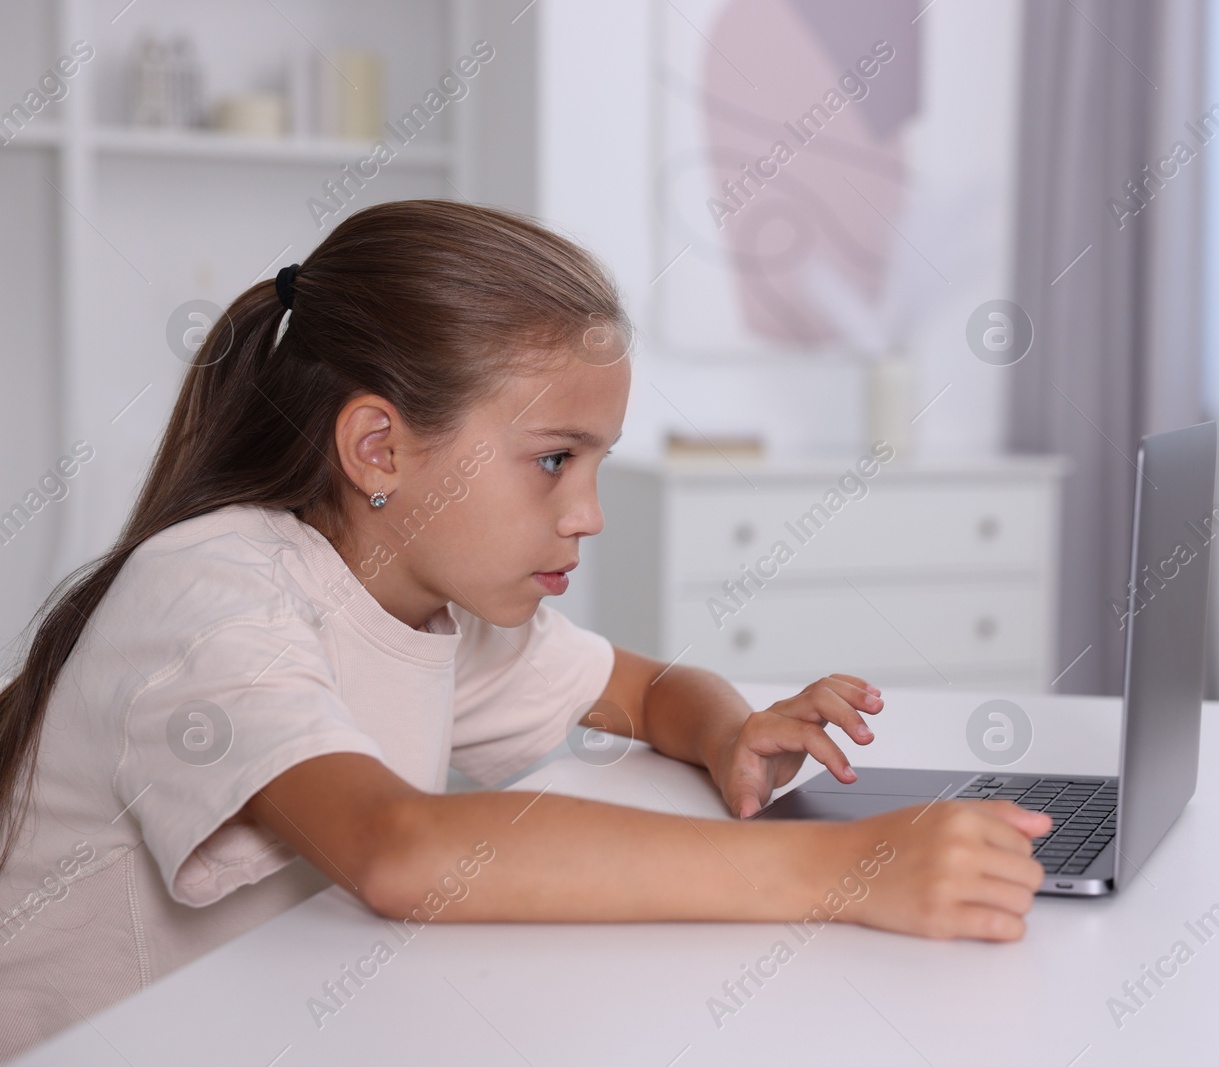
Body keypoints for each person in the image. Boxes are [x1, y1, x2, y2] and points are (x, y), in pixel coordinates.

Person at [0, 200, 1046, 1056]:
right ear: (379, 448)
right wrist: (845, 871)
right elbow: (396, 849)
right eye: (554, 458)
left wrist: (729, 730)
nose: (588, 510)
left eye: (595, 463)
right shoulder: (211, 588)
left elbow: (642, 690)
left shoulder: (432, 603)